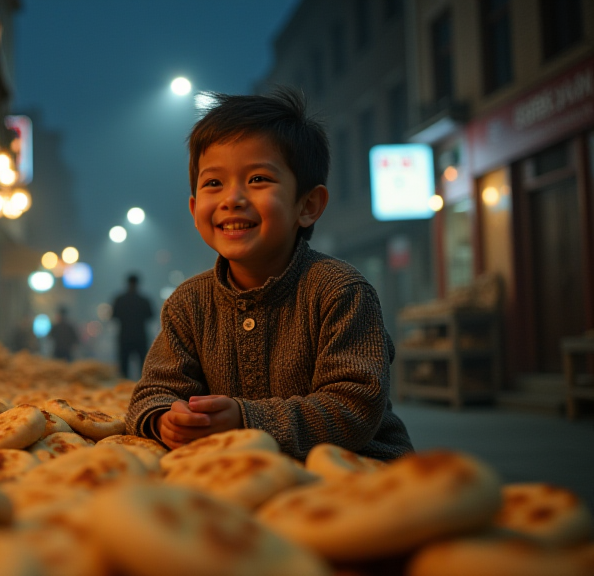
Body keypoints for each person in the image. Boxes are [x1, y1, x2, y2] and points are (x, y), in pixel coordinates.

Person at [125, 88, 413, 461]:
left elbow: (354, 406)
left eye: (258, 179)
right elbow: (153, 391)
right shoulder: (188, 304)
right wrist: (165, 417)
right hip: (245, 473)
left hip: (359, 475)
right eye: (214, 183)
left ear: (307, 205)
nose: (233, 198)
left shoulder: (340, 291)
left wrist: (246, 420)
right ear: (195, 208)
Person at [111, 273, 153, 379]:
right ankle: (143, 388)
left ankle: (123, 388)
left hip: (124, 336)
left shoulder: (120, 299)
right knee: (143, 366)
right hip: (140, 337)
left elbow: (114, 316)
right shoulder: (144, 300)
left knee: (124, 366)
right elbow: (151, 316)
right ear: (138, 283)